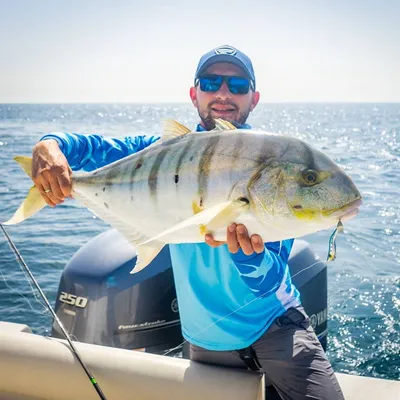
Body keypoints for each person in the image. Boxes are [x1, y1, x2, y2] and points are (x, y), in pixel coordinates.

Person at [31, 45, 344, 400]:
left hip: (278, 326)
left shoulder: (272, 162)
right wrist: (48, 145)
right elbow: (88, 147)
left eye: (237, 85)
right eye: (211, 82)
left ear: (253, 98)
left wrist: (247, 256)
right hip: (204, 340)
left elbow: (269, 281)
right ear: (194, 93)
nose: (223, 93)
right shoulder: (157, 151)